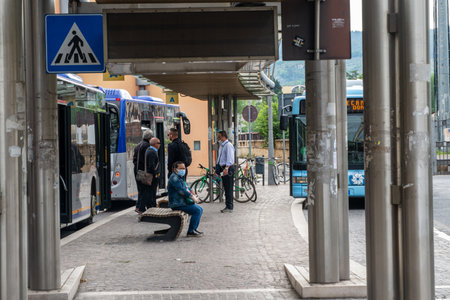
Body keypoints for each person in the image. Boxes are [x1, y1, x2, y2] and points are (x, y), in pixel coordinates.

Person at [168, 161, 203, 237]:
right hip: (177, 203)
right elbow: (181, 190)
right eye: (181, 168)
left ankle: (193, 229)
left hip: (182, 202)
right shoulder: (174, 178)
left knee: (200, 209)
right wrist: (191, 196)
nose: (183, 170)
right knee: (197, 211)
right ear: (175, 169)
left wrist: (191, 191)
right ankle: (191, 231)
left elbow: (185, 187)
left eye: (184, 168)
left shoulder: (178, 177)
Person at [133, 129, 153, 214]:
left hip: (137, 170)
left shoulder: (138, 145)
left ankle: (138, 206)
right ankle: (141, 208)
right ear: (150, 137)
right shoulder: (148, 146)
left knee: (140, 189)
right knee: (145, 190)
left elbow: (134, 159)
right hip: (143, 171)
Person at [215, 130, 235, 213]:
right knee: (226, 188)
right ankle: (228, 205)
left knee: (228, 188)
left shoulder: (228, 145)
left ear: (223, 136)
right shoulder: (222, 146)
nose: (218, 138)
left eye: (219, 136)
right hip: (223, 168)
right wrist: (216, 170)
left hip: (227, 169)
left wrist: (226, 168)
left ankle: (229, 207)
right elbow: (220, 158)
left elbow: (230, 158)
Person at [142, 137, 161, 211]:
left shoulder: (150, 150)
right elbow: (151, 165)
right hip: (152, 176)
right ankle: (151, 206)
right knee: (152, 192)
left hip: (151, 175)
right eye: (159, 143)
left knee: (151, 192)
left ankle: (151, 205)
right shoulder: (152, 152)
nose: (160, 145)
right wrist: (155, 173)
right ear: (155, 144)